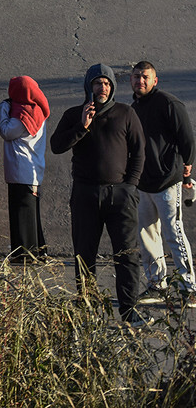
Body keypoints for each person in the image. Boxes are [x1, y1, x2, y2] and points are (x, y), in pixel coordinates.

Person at [51, 63, 147, 325]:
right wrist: (82, 126)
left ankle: (129, 310)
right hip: (85, 195)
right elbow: (57, 146)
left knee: (126, 255)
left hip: (121, 196)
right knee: (84, 254)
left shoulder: (126, 113)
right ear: (88, 86)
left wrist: (130, 186)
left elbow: (138, 152)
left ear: (113, 87)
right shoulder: (74, 115)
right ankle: (87, 308)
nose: (102, 87)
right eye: (97, 83)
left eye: (106, 83)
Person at [129, 61, 196, 306]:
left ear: (155, 80)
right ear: (131, 80)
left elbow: (187, 139)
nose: (140, 81)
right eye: (136, 77)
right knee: (147, 235)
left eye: (145, 77)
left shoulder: (169, 104)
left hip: (168, 181)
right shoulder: (133, 108)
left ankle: (190, 288)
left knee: (174, 233)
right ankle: (157, 285)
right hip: (143, 183)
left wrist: (186, 170)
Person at [0, 76, 50, 262]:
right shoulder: (38, 111)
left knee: (22, 213)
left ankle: (25, 254)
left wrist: (3, 111)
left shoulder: (23, 116)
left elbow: (6, 131)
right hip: (32, 168)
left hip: (21, 169)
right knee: (31, 213)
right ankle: (38, 250)